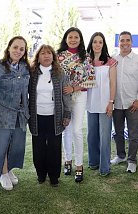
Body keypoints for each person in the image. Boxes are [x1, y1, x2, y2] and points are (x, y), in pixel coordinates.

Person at [0, 36, 31, 190]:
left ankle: (9, 169)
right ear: (9, 48)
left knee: (15, 144)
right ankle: (3, 172)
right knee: (2, 144)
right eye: (15, 47)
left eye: (21, 49)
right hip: (0, 114)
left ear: (24, 52)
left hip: (19, 114)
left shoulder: (25, 68)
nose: (18, 51)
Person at [29, 44, 71, 187]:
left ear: (53, 56)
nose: (46, 56)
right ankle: (41, 174)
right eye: (43, 53)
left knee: (54, 148)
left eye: (49, 53)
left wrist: (67, 114)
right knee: (38, 148)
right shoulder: (32, 73)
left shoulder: (60, 73)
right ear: (38, 57)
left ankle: (54, 177)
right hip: (37, 117)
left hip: (55, 117)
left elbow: (66, 96)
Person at [57, 27, 96, 183]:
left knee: (77, 130)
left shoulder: (85, 57)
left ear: (80, 40)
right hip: (64, 97)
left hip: (80, 95)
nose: (73, 40)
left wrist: (74, 88)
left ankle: (79, 166)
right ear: (66, 38)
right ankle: (67, 161)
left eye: (76, 37)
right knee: (66, 129)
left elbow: (91, 79)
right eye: (70, 37)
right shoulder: (58, 56)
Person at [110, 31, 138, 173]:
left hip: (133, 104)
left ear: (132, 42)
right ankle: (120, 155)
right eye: (122, 40)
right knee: (118, 132)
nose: (124, 43)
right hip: (117, 104)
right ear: (118, 42)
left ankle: (132, 160)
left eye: (127, 40)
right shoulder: (113, 59)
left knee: (133, 134)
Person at [86, 32, 117, 176]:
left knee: (105, 136)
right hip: (91, 103)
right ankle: (93, 162)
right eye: (95, 42)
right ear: (91, 44)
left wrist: (111, 102)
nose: (97, 45)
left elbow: (113, 83)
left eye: (100, 42)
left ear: (103, 44)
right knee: (92, 134)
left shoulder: (110, 61)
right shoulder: (86, 61)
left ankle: (104, 167)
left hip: (105, 103)